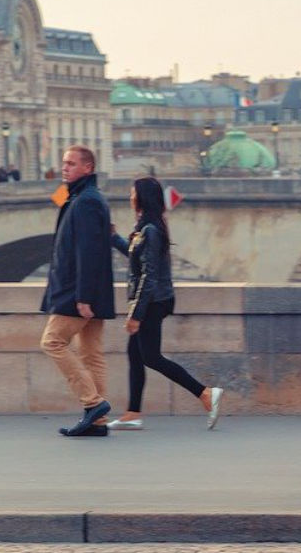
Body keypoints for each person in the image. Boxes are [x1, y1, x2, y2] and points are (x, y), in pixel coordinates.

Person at [105, 176, 224, 431]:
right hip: (152, 300)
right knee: (135, 355)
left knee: (151, 357)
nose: (130, 197)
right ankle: (132, 413)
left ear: (142, 198)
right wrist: (114, 238)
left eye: (132, 193)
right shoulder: (147, 227)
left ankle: (204, 393)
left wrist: (136, 314)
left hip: (152, 302)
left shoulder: (151, 229)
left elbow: (149, 275)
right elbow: (137, 257)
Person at [40, 145, 116, 437]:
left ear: (88, 168)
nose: (65, 168)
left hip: (76, 291)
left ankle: (93, 403)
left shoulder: (85, 202)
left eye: (71, 164)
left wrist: (84, 296)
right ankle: (96, 423)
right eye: (64, 163)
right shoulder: (84, 198)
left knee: (52, 342)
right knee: (91, 354)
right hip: (88, 289)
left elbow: (88, 252)